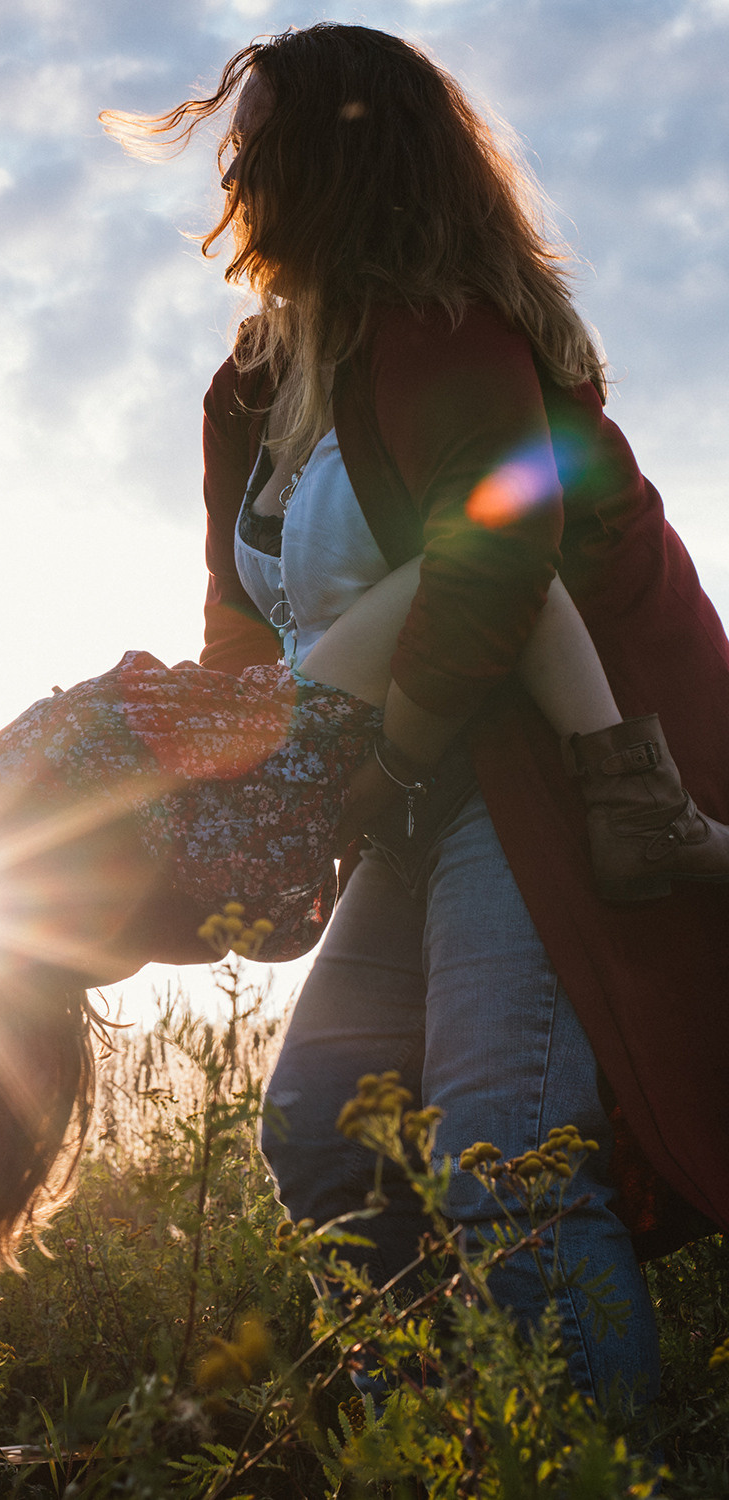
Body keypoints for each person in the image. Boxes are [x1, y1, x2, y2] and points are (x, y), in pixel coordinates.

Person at [115, 22, 729, 1408]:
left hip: (556, 751)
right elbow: (244, 621)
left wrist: (376, 760)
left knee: (505, 1142)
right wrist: (217, 777)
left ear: (348, 149)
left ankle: (586, 1464)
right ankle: (446, 1429)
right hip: (413, 765)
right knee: (324, 1135)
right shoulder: (252, 388)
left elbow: (503, 552)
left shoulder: (445, 331)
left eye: (260, 127)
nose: (236, 153)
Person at [0, 563, 721, 1337]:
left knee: (492, 589)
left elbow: (229, 913)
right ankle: (650, 812)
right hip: (289, 737)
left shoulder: (55, 938)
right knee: (493, 563)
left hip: (286, 770)